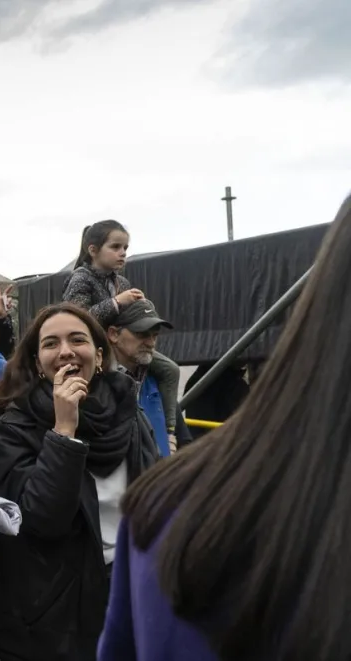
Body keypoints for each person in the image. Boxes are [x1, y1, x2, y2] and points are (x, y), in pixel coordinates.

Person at [97, 193, 351, 661]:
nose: (153, 340)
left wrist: (176, 444)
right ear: (112, 337)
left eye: (156, 332)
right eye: (144, 333)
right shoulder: (159, 505)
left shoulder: (158, 396)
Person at [0, 302, 158, 661]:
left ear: (99, 354)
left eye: (78, 339)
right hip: (53, 620)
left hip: (128, 595)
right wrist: (64, 430)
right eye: (50, 344)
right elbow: (44, 519)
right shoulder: (10, 430)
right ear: (36, 363)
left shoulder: (129, 412)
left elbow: (153, 501)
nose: (65, 352)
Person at [62, 220, 181, 448]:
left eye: (125, 248)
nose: (122, 253)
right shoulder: (81, 278)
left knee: (170, 369)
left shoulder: (121, 282)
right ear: (93, 250)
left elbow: (133, 319)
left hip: (122, 346)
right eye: (115, 247)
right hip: (95, 353)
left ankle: (170, 430)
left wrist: (142, 308)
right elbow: (74, 321)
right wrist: (116, 303)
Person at [105, 300, 192, 456]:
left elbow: (185, 443)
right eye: (142, 334)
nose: (151, 343)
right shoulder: (99, 385)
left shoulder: (159, 384)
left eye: (155, 335)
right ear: (113, 334)